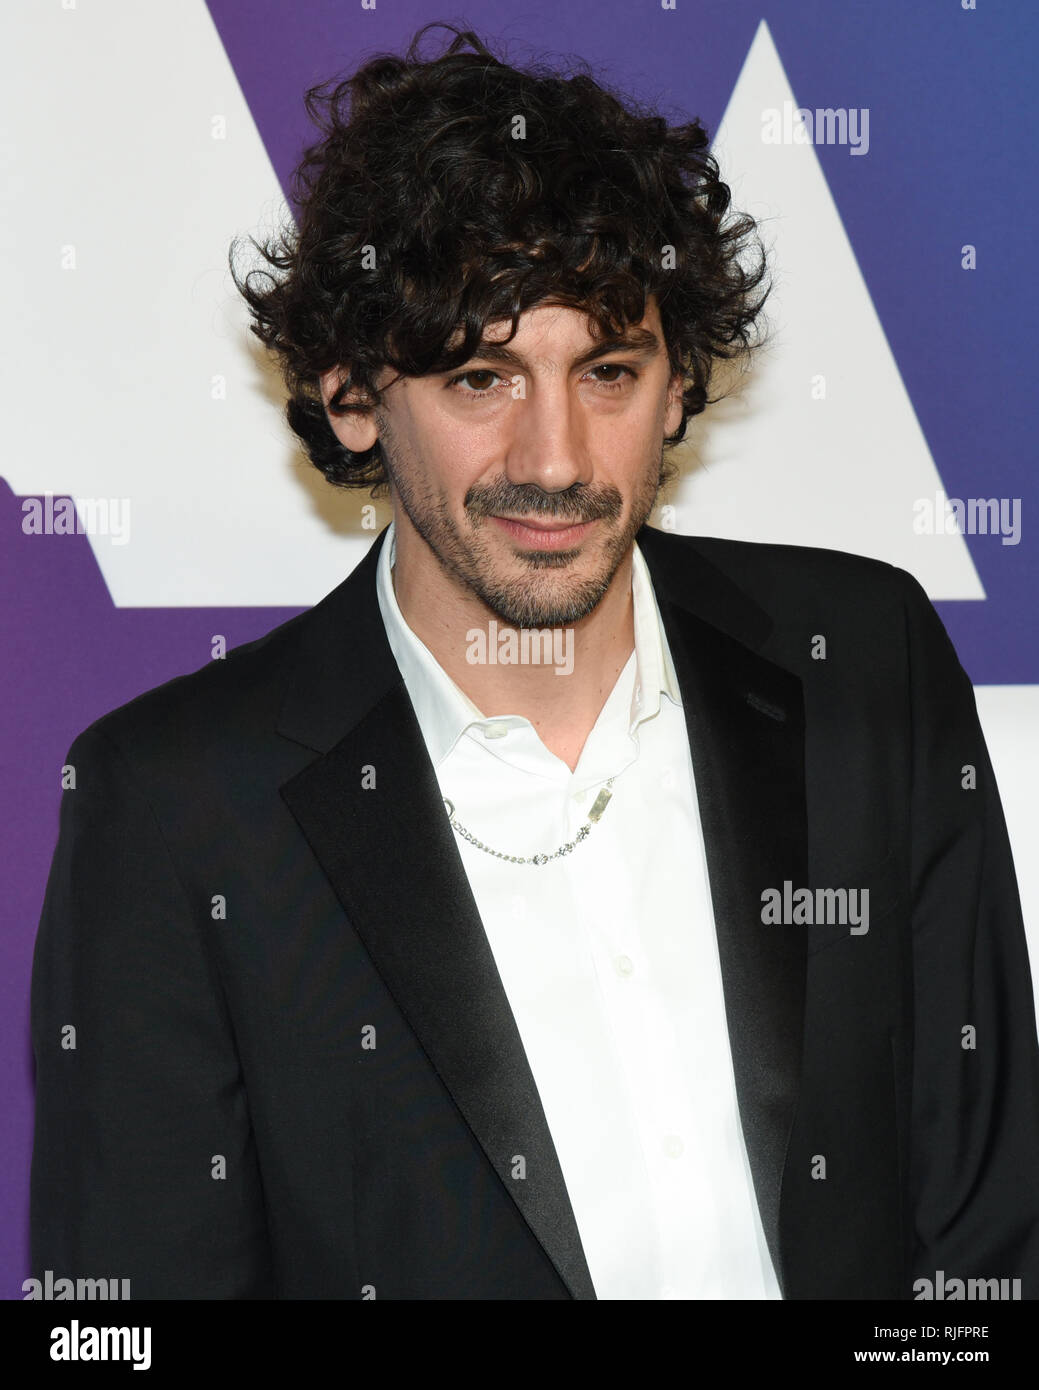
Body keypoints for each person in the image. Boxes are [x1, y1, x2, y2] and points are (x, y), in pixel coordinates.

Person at [30, 23, 1039, 1300]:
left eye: (606, 371)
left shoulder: (863, 662)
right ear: (350, 393)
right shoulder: (172, 803)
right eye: (479, 376)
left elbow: (991, 1234)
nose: (555, 460)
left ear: (678, 385)